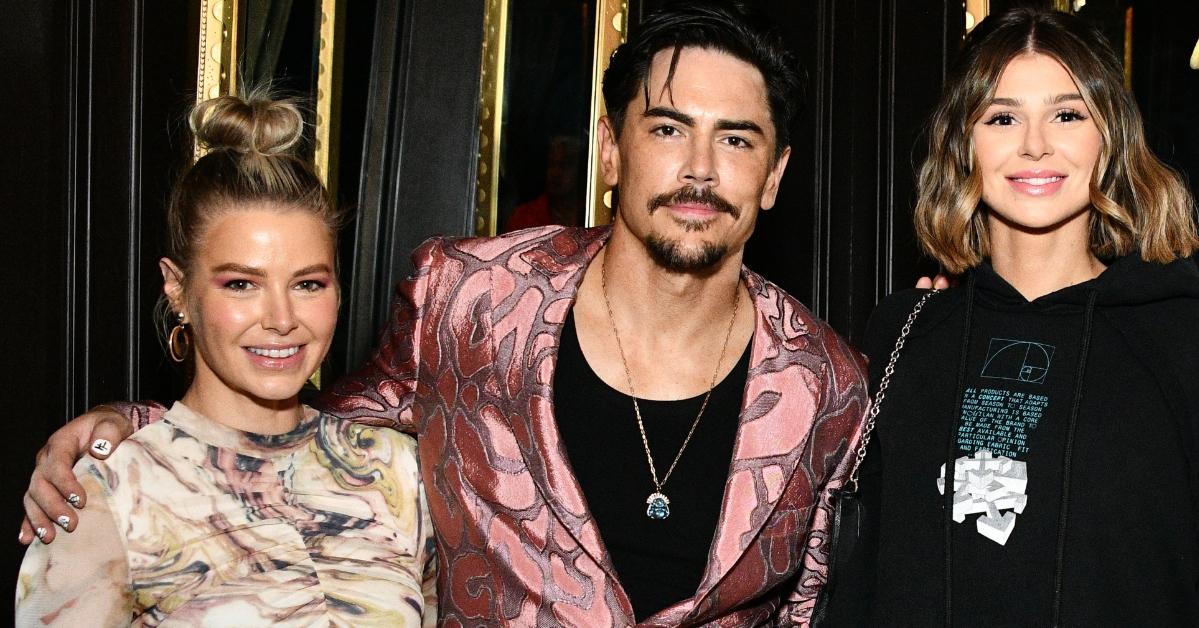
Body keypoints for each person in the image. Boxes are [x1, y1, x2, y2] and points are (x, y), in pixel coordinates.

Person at [21, 2, 869, 624]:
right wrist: (136, 426)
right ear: (611, 149)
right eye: (667, 129)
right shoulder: (468, 297)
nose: (698, 169)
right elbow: (318, 436)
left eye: (735, 139)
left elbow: (807, 606)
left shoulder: (827, 383)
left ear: (773, 175)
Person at [822, 7, 1199, 626]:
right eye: (1002, 117)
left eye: (1067, 114)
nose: (1034, 144)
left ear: (1112, 138)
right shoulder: (907, 332)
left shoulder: (1177, 336)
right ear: (963, 141)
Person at [15, 93, 436, 626]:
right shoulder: (112, 489)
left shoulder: (398, 470)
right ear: (177, 288)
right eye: (241, 283)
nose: (282, 318)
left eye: (308, 283)